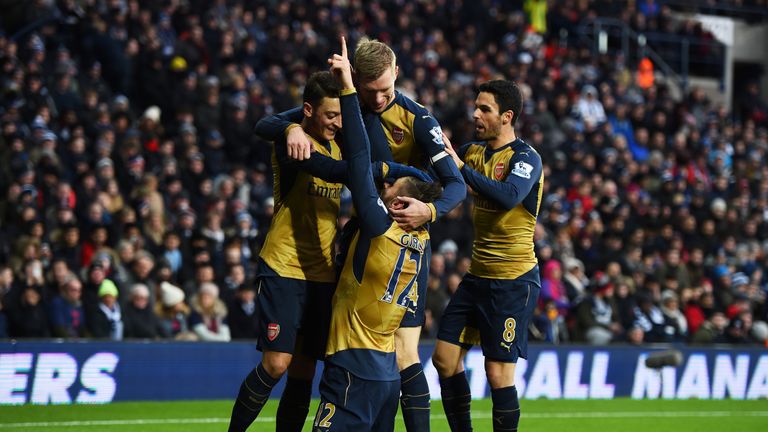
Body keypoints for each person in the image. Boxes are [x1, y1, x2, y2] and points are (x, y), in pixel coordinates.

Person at [255, 37, 466, 431]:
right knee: (337, 339)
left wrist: (431, 209)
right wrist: (289, 129)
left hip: (399, 233)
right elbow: (265, 123)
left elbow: (455, 184)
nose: (381, 98)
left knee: (404, 352)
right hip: (357, 234)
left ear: (397, 73)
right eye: (371, 92)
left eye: (387, 89)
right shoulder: (344, 103)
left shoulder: (418, 119)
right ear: (356, 82)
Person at [229, 71, 426, 431]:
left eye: (340, 115)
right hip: (284, 267)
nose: (338, 123)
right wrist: (287, 129)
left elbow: (356, 164)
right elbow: (335, 169)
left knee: (304, 370)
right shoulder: (296, 144)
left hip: (322, 273)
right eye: (331, 115)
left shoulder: (338, 143)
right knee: (277, 363)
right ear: (307, 110)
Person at [311, 36, 440, 431]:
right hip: (387, 374)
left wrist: (349, 90)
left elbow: (362, 165)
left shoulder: (379, 225)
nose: (388, 183)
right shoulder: (417, 240)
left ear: (403, 204)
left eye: (395, 186)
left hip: (353, 365)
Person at [432, 79, 543, 432]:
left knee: (497, 373)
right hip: (477, 277)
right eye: (476, 107)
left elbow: (509, 195)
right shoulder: (473, 151)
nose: (475, 114)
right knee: (444, 359)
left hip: (513, 282)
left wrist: (460, 168)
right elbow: (436, 167)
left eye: (485, 109)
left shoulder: (526, 158)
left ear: (506, 116)